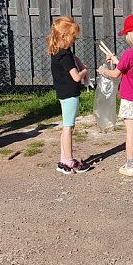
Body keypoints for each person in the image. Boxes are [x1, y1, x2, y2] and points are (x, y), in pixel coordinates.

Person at [99, 14, 133, 176]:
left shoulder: (130, 54)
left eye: (127, 35)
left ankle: (130, 165)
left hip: (130, 99)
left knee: (130, 132)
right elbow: (129, 68)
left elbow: (117, 73)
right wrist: (118, 60)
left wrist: (103, 71)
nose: (127, 38)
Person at [48, 16, 92, 175]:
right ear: (64, 36)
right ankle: (69, 160)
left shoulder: (58, 52)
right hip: (70, 94)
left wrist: (78, 62)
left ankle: (63, 158)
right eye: (73, 37)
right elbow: (76, 77)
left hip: (63, 93)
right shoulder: (65, 56)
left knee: (66, 126)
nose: (74, 41)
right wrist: (85, 71)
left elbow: (74, 58)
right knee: (68, 127)